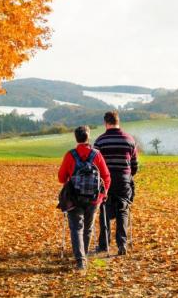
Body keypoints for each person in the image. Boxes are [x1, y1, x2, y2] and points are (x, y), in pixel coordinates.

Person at [58, 126, 111, 270]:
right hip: (94, 199)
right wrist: (103, 194)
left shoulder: (70, 155)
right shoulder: (97, 155)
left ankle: (80, 260)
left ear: (76, 138)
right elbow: (106, 176)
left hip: (74, 198)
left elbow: (61, 178)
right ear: (88, 137)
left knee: (76, 228)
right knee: (88, 228)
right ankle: (84, 255)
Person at [94, 110, 138, 256]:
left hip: (106, 181)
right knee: (123, 210)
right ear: (118, 121)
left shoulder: (100, 141)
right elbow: (134, 164)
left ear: (105, 123)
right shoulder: (130, 140)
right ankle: (122, 244)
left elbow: (95, 165)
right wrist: (128, 175)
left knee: (104, 211)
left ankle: (104, 245)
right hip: (123, 180)